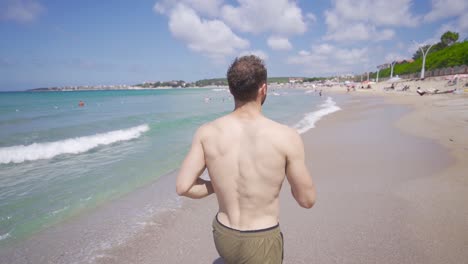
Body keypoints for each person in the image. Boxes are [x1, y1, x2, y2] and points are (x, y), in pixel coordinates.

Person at [176, 55, 316, 264]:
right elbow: (306, 200)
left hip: (223, 234)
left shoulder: (206, 132)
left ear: (231, 90)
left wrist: (217, 184)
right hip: (262, 238)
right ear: (263, 89)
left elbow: (183, 187)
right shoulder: (286, 136)